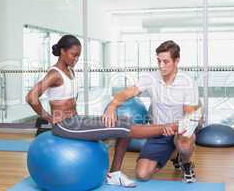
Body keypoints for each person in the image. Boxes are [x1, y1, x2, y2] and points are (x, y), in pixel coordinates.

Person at [26, 35, 190, 188]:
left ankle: (114, 174)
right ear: (62, 51)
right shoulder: (55, 73)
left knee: (122, 124)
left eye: (78, 56)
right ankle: (173, 127)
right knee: (125, 128)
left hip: (76, 120)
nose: (75, 59)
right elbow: (31, 97)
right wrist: (47, 117)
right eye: (72, 55)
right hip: (65, 125)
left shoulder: (70, 71)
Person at [102, 40, 201, 183]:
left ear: (176, 60)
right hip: (158, 132)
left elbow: (188, 115)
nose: (161, 66)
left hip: (179, 130)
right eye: (159, 61)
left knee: (184, 143)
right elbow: (128, 92)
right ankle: (174, 155)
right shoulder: (150, 77)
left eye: (166, 62)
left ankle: (186, 164)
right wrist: (112, 106)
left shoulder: (188, 83)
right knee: (142, 175)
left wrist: (175, 129)